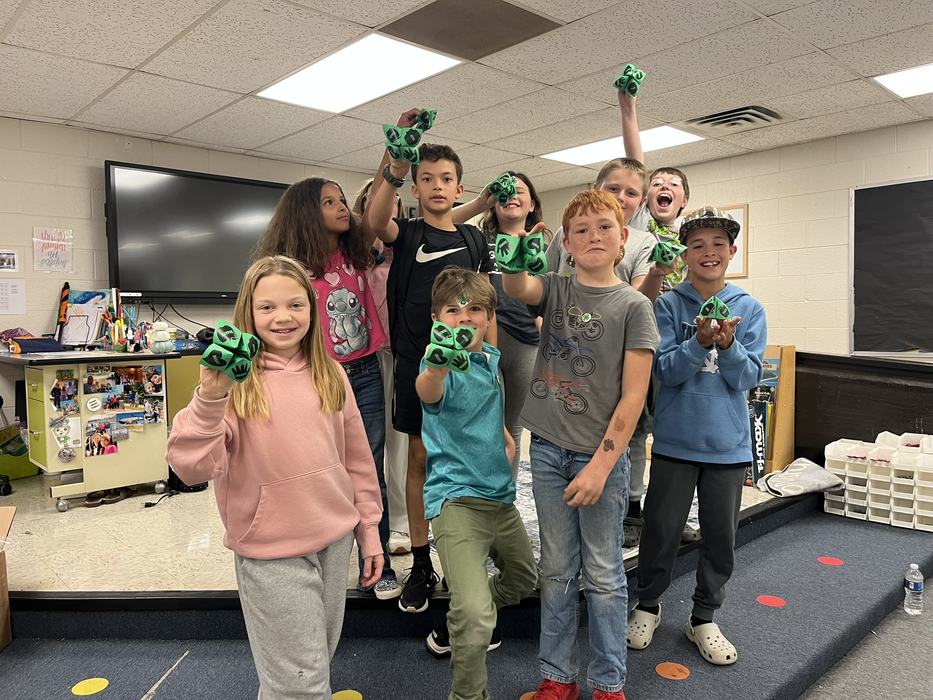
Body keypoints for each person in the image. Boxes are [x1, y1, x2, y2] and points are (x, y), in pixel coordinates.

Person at [167, 255, 383, 699]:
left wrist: (370, 530)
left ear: (313, 307)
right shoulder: (233, 384)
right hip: (270, 552)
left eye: (295, 305)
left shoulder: (332, 374)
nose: (282, 317)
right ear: (248, 312)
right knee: (299, 683)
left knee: (310, 666)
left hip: (333, 541)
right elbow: (189, 467)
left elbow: (358, 460)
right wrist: (211, 396)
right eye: (267, 307)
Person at [502, 191, 659, 700]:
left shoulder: (634, 306)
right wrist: (514, 254)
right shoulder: (555, 289)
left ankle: (609, 683)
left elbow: (633, 397)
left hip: (601, 458)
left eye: (604, 228)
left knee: (605, 572)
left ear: (623, 239)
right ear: (565, 244)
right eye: (582, 230)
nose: (594, 237)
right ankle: (558, 678)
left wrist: (599, 467)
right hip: (547, 449)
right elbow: (518, 285)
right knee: (556, 568)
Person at [362, 109, 495, 614]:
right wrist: (395, 164)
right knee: (419, 462)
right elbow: (375, 220)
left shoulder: (476, 239)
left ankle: (468, 555)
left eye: (446, 179)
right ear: (415, 189)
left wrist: (493, 367)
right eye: (427, 179)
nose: (437, 186)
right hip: (419, 371)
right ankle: (421, 562)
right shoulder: (410, 235)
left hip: (472, 378)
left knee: (469, 465)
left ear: (460, 188)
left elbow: (489, 307)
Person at [627, 207, 766, 667]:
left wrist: (726, 344)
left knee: (720, 537)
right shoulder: (668, 305)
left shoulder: (749, 309)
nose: (708, 253)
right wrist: (698, 342)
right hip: (674, 443)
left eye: (718, 245)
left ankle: (704, 616)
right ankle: (647, 604)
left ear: (732, 252)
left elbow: (746, 378)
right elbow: (663, 369)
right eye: (698, 245)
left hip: (727, 447)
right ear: (684, 253)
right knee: (661, 531)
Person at [254, 178, 400, 600]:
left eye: (342, 201)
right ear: (305, 213)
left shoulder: (356, 250)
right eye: (329, 202)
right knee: (318, 471)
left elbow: (376, 208)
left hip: (365, 374)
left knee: (368, 471)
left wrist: (393, 165)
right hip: (316, 377)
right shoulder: (291, 268)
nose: (342, 208)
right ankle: (313, 562)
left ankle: (378, 562)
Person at [417, 267, 537, 700]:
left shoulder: (491, 358)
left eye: (475, 310)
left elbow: (492, 403)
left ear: (489, 318)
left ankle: (465, 614)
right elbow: (428, 390)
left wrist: (505, 438)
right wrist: (435, 365)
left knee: (523, 580)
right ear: (437, 319)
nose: (464, 318)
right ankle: (469, 693)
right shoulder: (440, 363)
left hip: (500, 500)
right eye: (453, 310)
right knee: (476, 616)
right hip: (456, 502)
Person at [476, 171, 548, 479]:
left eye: (521, 191)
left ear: (532, 204)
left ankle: (506, 497)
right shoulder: (480, 242)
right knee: (490, 425)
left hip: (527, 345)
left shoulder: (543, 246)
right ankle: (486, 495)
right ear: (494, 203)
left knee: (514, 428)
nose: (513, 196)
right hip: (489, 342)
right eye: (505, 192)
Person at [353, 178, 411, 555]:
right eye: (378, 203)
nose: (388, 209)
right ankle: (369, 521)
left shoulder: (404, 249)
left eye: (394, 205)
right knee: (365, 445)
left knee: (401, 441)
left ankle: (403, 523)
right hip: (365, 358)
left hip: (403, 353)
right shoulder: (355, 254)